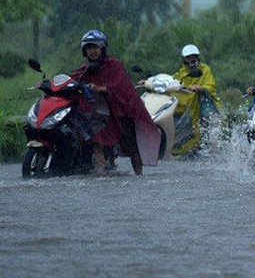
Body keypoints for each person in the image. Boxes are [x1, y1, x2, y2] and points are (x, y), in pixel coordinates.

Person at [71, 30, 161, 175]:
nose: (92, 51)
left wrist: (100, 89)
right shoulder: (85, 69)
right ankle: (100, 174)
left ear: (102, 48)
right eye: (89, 48)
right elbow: (71, 80)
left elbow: (122, 88)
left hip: (121, 112)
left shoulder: (114, 64)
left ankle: (139, 176)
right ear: (84, 51)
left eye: (95, 47)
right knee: (96, 143)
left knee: (132, 148)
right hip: (101, 114)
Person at [171, 44, 222, 155]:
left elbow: (211, 86)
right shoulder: (182, 73)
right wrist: (149, 82)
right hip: (188, 105)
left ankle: (213, 151)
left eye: (193, 56)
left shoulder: (204, 69)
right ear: (183, 59)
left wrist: (199, 87)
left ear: (198, 57)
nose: (191, 60)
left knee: (210, 124)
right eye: (188, 57)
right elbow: (171, 82)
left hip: (204, 103)